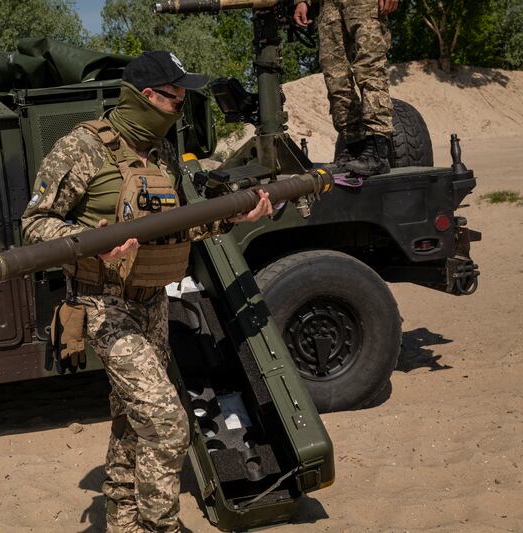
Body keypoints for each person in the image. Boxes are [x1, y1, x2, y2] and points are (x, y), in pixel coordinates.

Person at [21, 51, 273, 532]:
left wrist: (233, 217)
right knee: (167, 424)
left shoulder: (157, 158)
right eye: (174, 99)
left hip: (152, 304)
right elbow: (33, 226)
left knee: (133, 422)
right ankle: (162, 525)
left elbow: (177, 230)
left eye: (182, 100)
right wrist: (95, 249)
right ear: (143, 98)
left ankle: (124, 521)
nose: (179, 108)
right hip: (103, 305)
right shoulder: (81, 148)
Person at [294, 0, 399, 176]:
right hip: (328, 6)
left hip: (364, 4)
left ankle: (378, 152)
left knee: (369, 69)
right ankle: (354, 147)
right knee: (335, 76)